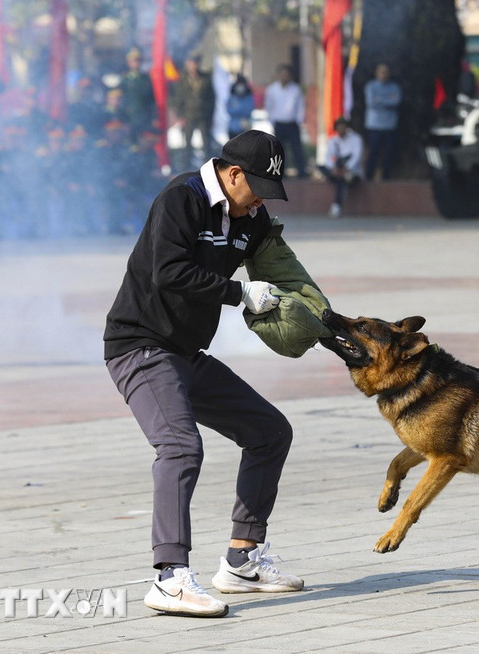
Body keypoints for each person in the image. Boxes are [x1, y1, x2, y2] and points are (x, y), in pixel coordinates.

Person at [103, 131, 314, 618]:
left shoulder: (251, 215)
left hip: (185, 353)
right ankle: (170, 578)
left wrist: (329, 325)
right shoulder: (183, 198)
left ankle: (242, 560)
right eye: (256, 186)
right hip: (140, 346)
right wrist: (239, 294)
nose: (261, 199)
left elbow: (286, 271)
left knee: (269, 432)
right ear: (232, 173)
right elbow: (167, 270)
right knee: (179, 446)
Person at [264, 65, 308, 178]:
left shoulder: (296, 89)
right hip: (279, 124)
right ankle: (279, 173)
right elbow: (269, 106)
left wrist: (299, 120)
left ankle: (301, 172)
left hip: (292, 123)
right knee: (279, 150)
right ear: (279, 75)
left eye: (287, 75)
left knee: (296, 149)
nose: (284, 77)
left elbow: (300, 107)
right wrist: (272, 121)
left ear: (290, 76)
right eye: (282, 74)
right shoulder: (272, 89)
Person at [172, 54, 216, 165]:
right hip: (188, 115)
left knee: (206, 142)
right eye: (192, 62)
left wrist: (210, 116)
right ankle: (186, 165)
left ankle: (208, 165)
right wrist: (180, 115)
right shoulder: (182, 78)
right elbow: (178, 98)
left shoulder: (205, 78)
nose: (194, 65)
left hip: (203, 115)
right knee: (187, 143)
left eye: (196, 62)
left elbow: (211, 99)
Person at [363, 63, 402, 181]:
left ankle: (386, 178)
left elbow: (396, 102)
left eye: (386, 72)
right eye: (381, 72)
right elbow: (371, 103)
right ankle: (369, 177)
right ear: (376, 73)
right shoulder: (370, 86)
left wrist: (380, 100)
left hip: (390, 125)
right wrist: (388, 101)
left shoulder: (394, 87)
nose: (383, 74)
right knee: (373, 152)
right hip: (374, 125)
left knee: (388, 153)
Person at [318, 117, 364, 217]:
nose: (341, 129)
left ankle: (336, 206)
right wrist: (334, 169)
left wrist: (346, 168)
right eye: (339, 127)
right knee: (321, 168)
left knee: (342, 180)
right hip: (337, 171)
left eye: (343, 127)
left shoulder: (356, 139)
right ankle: (336, 206)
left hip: (351, 172)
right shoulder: (333, 141)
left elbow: (357, 156)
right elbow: (328, 158)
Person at [117, 47, 156, 141]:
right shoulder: (124, 80)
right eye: (133, 61)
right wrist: (123, 119)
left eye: (138, 61)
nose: (136, 63)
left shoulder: (146, 79)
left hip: (144, 117)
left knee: (145, 143)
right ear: (129, 63)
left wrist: (154, 117)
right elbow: (121, 100)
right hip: (130, 117)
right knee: (131, 144)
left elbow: (151, 100)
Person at [226, 74, 255, 139]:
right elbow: (229, 110)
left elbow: (248, 110)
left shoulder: (249, 97)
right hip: (232, 128)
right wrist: (240, 110)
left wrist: (237, 109)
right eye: (239, 85)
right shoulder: (232, 98)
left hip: (245, 129)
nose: (240, 87)